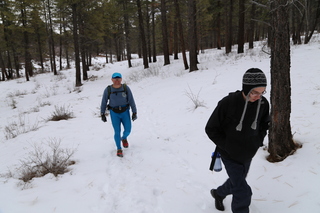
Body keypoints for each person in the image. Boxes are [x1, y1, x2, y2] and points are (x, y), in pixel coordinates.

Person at [205, 68, 270, 213]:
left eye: (262, 92)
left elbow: (264, 124)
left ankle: (218, 193)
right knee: (242, 191)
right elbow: (211, 128)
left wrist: (257, 141)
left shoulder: (263, 104)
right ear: (246, 88)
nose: (258, 97)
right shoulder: (228, 103)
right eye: (254, 92)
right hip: (230, 155)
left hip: (248, 154)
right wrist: (228, 146)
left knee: (237, 182)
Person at [100, 72, 137, 157]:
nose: (117, 80)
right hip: (114, 113)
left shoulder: (125, 88)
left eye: (118, 78)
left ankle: (124, 138)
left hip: (125, 112)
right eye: (115, 78)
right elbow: (104, 102)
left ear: (121, 79)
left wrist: (134, 112)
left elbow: (131, 100)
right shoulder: (108, 90)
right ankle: (119, 148)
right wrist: (102, 113)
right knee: (117, 131)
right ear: (112, 79)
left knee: (128, 130)